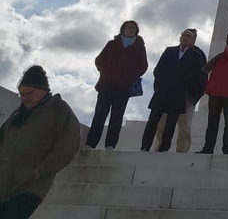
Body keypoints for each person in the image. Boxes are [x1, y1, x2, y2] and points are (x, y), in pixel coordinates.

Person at [0, 65, 80, 219]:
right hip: (4, 186)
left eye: (29, 93)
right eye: (21, 94)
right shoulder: (17, 115)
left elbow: (68, 145)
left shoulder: (59, 110)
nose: (24, 98)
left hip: (30, 188)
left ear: (43, 89)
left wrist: (39, 171)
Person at [141, 29, 208, 152]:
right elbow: (158, 70)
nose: (187, 38)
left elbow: (201, 76)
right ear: (180, 37)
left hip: (184, 96)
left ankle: (181, 150)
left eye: (190, 36)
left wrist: (194, 93)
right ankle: (155, 147)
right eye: (184, 35)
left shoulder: (198, 55)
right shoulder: (170, 51)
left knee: (183, 125)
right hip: (164, 92)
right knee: (159, 123)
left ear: (194, 39)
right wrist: (159, 87)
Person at [86, 20, 148, 150]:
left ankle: (110, 144)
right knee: (99, 115)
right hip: (106, 84)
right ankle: (90, 143)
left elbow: (143, 66)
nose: (130, 30)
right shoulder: (112, 43)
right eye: (128, 27)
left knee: (117, 117)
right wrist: (106, 70)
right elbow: (99, 60)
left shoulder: (140, 47)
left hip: (124, 88)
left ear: (136, 31)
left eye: (133, 28)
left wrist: (130, 75)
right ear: (123, 29)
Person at [196, 29, 228, 155]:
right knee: (212, 123)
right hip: (215, 93)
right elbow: (214, 74)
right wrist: (209, 88)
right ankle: (208, 147)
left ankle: (227, 148)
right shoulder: (222, 56)